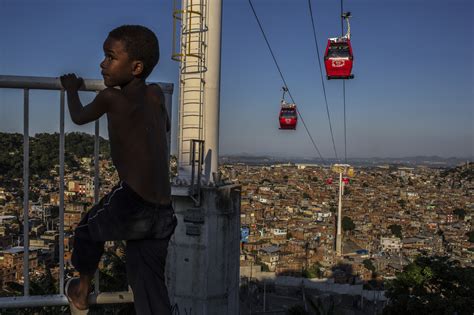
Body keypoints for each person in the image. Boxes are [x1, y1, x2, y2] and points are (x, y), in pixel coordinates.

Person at [60, 25, 177, 315]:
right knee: (148, 281)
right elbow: (165, 126)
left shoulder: (111, 97)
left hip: (134, 201)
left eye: (110, 57)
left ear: (135, 67)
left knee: (87, 230)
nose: (102, 64)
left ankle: (81, 291)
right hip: (163, 207)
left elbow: (78, 117)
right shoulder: (156, 94)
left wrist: (71, 90)